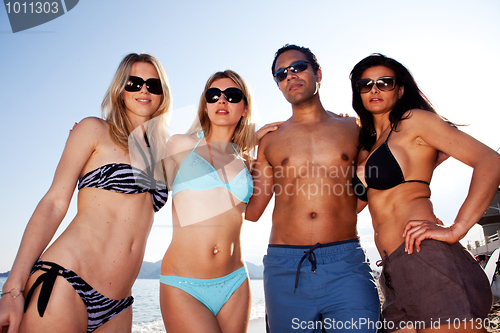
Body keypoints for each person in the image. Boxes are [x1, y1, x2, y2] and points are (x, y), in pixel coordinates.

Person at [0, 53, 171, 333]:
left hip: (118, 305)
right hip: (67, 282)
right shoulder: (94, 129)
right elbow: (54, 203)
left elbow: (212, 158)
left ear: (163, 94)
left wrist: (251, 143)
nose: (144, 89)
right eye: (134, 82)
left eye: (154, 85)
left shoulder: (163, 156)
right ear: (120, 90)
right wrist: (12, 289)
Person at [350, 53, 499, 332]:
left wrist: (458, 229)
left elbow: (490, 161)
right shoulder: (369, 145)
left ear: (400, 89)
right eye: (365, 84)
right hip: (393, 272)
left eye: (384, 82)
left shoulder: (413, 121)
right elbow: (351, 209)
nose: (374, 89)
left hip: (425, 257)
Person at [245, 44, 380, 332]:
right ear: (279, 86)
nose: (290, 76)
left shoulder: (353, 129)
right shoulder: (269, 141)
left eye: (298, 67)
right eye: (281, 74)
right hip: (285, 268)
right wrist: (240, 150)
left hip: (346, 263)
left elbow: (367, 188)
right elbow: (253, 210)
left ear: (318, 73)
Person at [159, 70, 279, 333]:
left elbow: (254, 213)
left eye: (232, 95)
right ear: (205, 105)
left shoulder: (247, 161)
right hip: (184, 284)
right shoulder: (179, 146)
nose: (221, 101)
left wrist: (268, 151)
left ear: (245, 108)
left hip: (235, 282)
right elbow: (145, 187)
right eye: (213, 95)